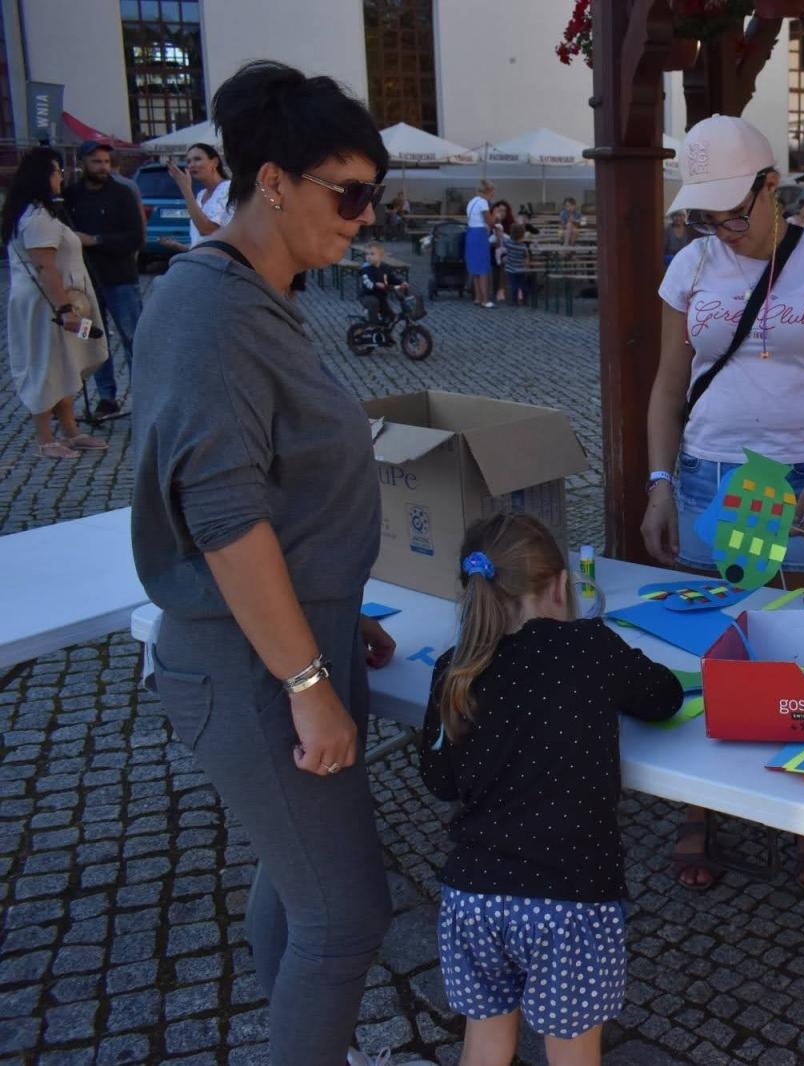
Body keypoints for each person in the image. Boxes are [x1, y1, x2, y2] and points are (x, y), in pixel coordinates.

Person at [129, 61, 428, 1066]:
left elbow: (283, 489)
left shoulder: (257, 296)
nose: (362, 216)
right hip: (247, 663)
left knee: (298, 889)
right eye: (347, 194)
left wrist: (337, 616)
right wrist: (307, 679)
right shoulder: (211, 309)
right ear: (273, 181)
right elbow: (225, 519)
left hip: (291, 637)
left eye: (370, 195)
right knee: (344, 914)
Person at [644, 114, 804, 890]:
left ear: (770, 188)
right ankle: (702, 804)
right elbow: (666, 386)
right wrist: (658, 484)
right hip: (709, 479)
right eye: (704, 215)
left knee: (798, 647)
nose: (721, 229)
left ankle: (802, 795)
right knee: (713, 647)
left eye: (733, 212)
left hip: (792, 480)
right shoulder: (690, 266)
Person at [418, 514, 682, 1066]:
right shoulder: (587, 646)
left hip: (473, 894)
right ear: (563, 586)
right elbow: (663, 696)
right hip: (570, 900)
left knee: (484, 1045)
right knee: (572, 1054)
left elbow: (440, 780)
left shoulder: (454, 667)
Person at [4, 147, 109, 459]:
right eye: (55, 171)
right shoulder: (37, 218)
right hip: (47, 307)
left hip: (53, 305)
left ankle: (70, 430)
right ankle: (46, 438)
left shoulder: (41, 213)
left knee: (65, 364)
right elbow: (45, 267)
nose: (60, 177)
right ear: (41, 176)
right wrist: (65, 310)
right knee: (46, 365)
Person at [64, 139, 144, 418]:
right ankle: (106, 396)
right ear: (83, 162)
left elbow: (135, 237)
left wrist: (96, 240)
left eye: (107, 162)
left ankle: (143, 394)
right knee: (93, 339)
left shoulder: (122, 194)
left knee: (134, 338)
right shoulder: (71, 196)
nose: (103, 167)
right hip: (84, 284)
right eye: (96, 161)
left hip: (121, 279)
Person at [161, 142, 233, 252]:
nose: (192, 165)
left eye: (197, 159)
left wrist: (185, 189)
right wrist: (178, 246)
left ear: (215, 162)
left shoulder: (228, 189)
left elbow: (207, 230)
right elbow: (201, 241)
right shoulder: (201, 195)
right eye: (188, 161)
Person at [359, 241, 408, 324]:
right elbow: (367, 281)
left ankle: (383, 331)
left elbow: (391, 278)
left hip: (381, 297)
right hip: (368, 296)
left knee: (390, 316)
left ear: (381, 256)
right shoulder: (366, 269)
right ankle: (373, 326)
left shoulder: (385, 267)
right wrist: (375, 285)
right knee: (373, 302)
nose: (369, 256)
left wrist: (401, 283)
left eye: (372, 254)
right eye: (367, 254)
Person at [466, 181, 494, 307]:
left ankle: (478, 297)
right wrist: (497, 217)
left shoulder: (472, 201)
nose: (493, 195)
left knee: (475, 268)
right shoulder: (483, 202)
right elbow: (489, 221)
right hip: (479, 234)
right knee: (483, 268)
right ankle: (485, 300)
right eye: (492, 192)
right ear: (487, 191)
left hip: (471, 233)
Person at [502, 222, 533, 306]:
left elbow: (503, 243)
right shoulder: (523, 247)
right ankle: (525, 300)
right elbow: (526, 257)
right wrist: (527, 267)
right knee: (523, 285)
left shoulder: (508, 243)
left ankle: (514, 300)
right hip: (521, 269)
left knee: (514, 285)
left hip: (510, 269)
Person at [489, 199, 513, 303]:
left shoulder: (510, 224)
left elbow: (513, 241)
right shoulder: (491, 223)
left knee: (504, 261)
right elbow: (489, 240)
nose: (502, 213)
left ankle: (501, 289)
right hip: (491, 251)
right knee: (499, 260)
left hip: (507, 251)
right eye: (500, 210)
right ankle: (497, 289)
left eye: (504, 211)